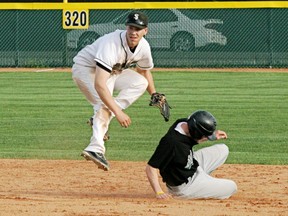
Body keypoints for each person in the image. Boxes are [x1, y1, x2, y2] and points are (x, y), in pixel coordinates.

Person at [72, 11, 159, 171]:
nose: (133, 32)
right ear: (126, 27)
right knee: (102, 104)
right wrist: (117, 112)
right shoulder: (111, 44)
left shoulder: (144, 47)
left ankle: (99, 120)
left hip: (112, 72)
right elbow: (99, 84)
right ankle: (95, 148)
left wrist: (154, 94)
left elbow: (144, 71)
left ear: (145, 31)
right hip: (86, 70)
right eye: (131, 27)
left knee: (140, 82)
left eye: (138, 29)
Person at [146, 110, 237, 199]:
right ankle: (202, 185)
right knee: (232, 187)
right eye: (204, 136)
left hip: (191, 164)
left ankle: (205, 182)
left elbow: (194, 134)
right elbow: (151, 167)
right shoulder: (171, 142)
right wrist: (159, 192)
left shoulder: (184, 123)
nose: (205, 138)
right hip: (185, 186)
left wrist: (212, 135)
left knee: (223, 149)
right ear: (196, 132)